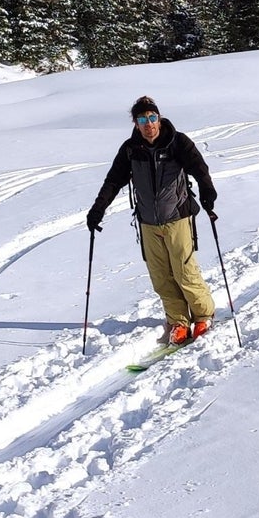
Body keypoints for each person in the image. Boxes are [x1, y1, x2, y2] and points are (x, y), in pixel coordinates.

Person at [87, 95, 218, 345]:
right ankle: (178, 321)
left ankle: (203, 315)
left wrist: (208, 194)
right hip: (147, 222)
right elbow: (113, 181)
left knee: (185, 271)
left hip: (177, 218)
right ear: (136, 123)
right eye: (142, 119)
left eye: (152, 117)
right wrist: (97, 210)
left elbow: (200, 169)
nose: (149, 123)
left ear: (159, 118)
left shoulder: (177, 142)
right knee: (161, 276)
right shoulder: (130, 149)